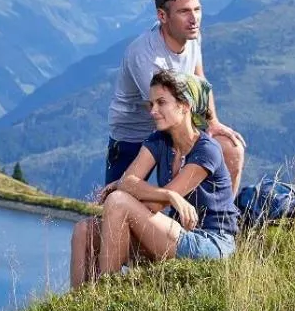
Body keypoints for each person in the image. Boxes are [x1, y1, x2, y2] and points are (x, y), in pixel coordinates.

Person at [70, 0, 245, 286]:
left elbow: (199, 81)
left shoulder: (193, 39)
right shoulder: (145, 57)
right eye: (184, 12)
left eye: (197, 9)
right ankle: (87, 305)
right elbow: (161, 109)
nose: (194, 19)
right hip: (132, 138)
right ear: (163, 16)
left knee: (228, 149)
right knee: (98, 222)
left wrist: (214, 123)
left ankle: (213, 224)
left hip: (175, 129)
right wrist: (148, 193)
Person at [90, 69, 239, 282]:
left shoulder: (207, 150)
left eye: (161, 103)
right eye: (151, 104)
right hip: (178, 233)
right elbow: (127, 182)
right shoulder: (159, 140)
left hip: (212, 243)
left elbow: (151, 205)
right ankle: (84, 304)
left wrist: (155, 194)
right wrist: (169, 196)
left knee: (117, 201)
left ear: (185, 106)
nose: (153, 111)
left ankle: (105, 295)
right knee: (84, 232)